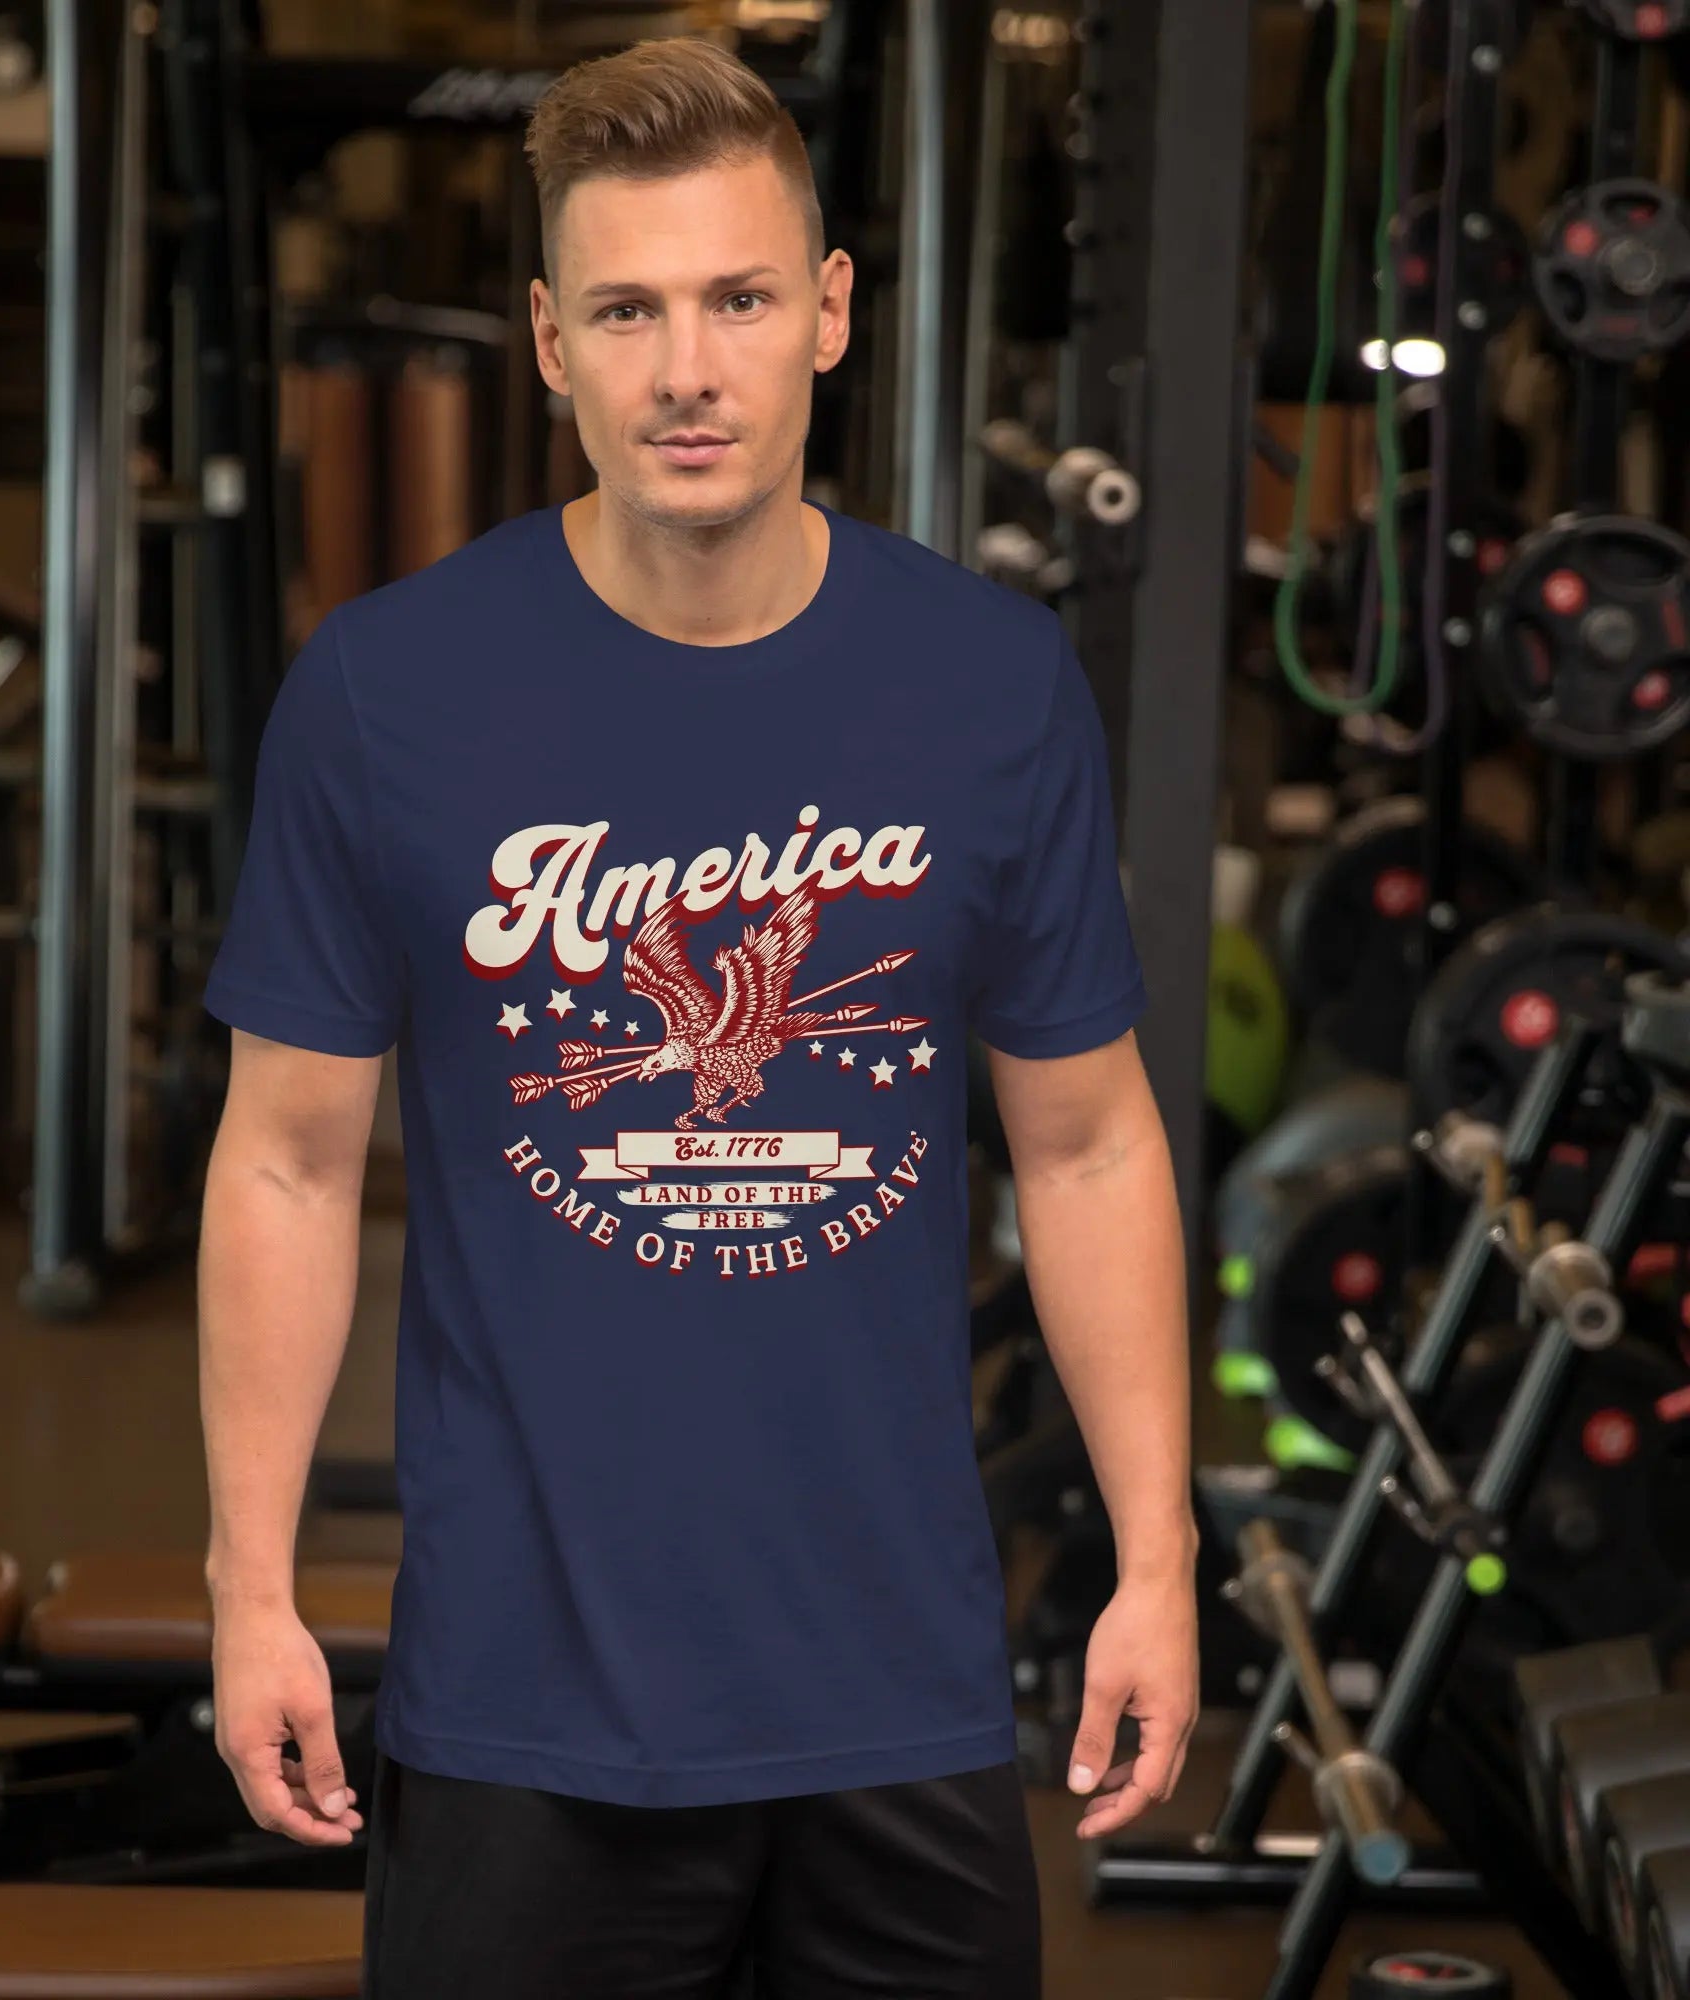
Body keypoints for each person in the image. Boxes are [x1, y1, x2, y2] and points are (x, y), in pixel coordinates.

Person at [198, 33, 1195, 2000]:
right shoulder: (390, 693)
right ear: (550, 340)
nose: (686, 369)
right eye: (630, 310)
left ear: (826, 315)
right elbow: (289, 1160)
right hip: (523, 1706)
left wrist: (1154, 1565)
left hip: (895, 1698)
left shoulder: (989, 688)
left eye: (738, 298)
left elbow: (1088, 1139)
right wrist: (249, 1588)